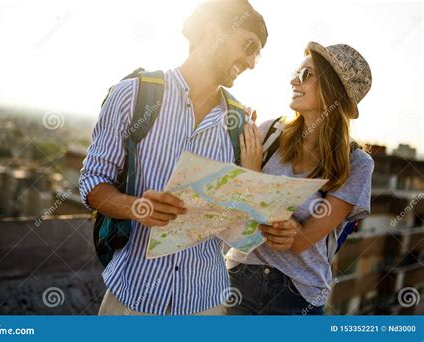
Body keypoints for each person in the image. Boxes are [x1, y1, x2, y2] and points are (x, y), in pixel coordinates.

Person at [80, 1, 293, 315]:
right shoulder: (134, 95)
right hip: (133, 299)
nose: (251, 62)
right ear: (214, 30)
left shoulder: (240, 125)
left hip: (205, 304)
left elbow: (235, 229)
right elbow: (93, 183)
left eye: (257, 54)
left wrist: (269, 221)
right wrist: (137, 207)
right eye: (248, 46)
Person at [225, 41, 374, 315]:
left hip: (297, 298)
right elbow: (233, 199)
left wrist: (255, 174)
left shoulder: (357, 164)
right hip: (238, 283)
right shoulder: (268, 132)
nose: (294, 80)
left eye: (306, 75)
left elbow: (299, 241)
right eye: (297, 71)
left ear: (332, 91)